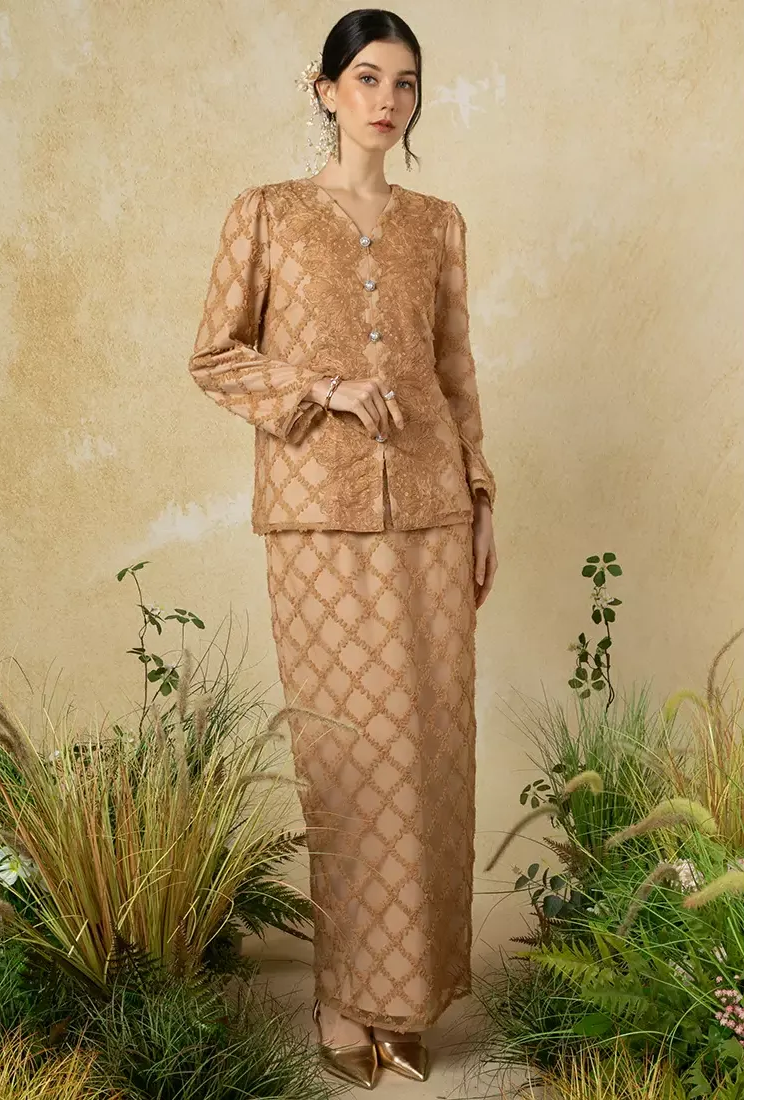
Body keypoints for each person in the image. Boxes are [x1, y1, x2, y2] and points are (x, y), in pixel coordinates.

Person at [188, 8, 498, 1089]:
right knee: (348, 758)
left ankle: (404, 1003)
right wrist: (321, 388)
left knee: (429, 750)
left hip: (431, 508)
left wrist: (481, 495)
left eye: (404, 82)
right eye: (366, 77)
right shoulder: (266, 213)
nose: (387, 99)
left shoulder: (438, 225)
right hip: (316, 514)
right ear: (323, 89)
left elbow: (455, 372)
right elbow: (215, 355)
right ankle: (340, 996)